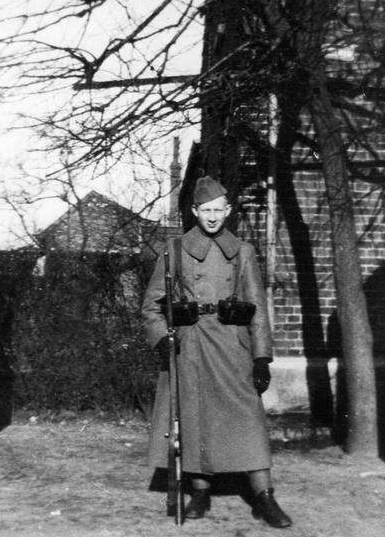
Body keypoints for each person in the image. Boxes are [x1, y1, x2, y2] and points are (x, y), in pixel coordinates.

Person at [141, 176, 292, 528]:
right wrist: (163, 339)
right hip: (190, 345)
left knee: (248, 417)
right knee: (194, 419)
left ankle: (264, 496)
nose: (212, 217)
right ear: (195, 211)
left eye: (218, 210)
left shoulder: (242, 251)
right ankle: (200, 493)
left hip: (232, 345)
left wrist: (261, 358)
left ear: (228, 211)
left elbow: (257, 308)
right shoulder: (175, 249)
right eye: (205, 210)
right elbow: (151, 306)